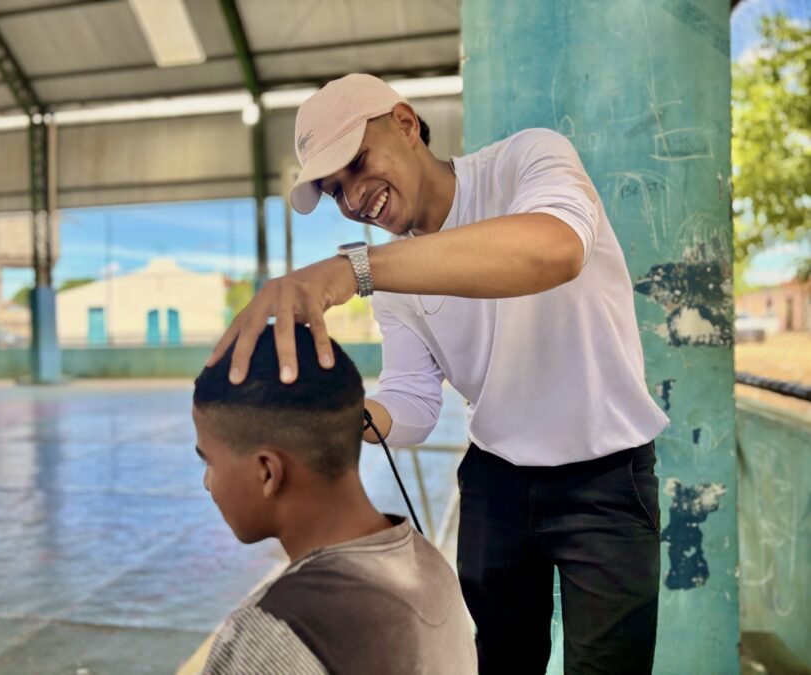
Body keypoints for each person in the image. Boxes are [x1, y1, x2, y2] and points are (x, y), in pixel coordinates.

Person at [208, 73, 670, 674]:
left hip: (607, 476)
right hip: (497, 480)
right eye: (334, 190)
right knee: (500, 661)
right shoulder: (391, 280)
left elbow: (556, 249)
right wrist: (341, 420)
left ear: (404, 123)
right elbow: (414, 400)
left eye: (356, 164)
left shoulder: (527, 160)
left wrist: (352, 269)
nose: (352, 199)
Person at [193, 324, 477, 674]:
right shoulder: (431, 565)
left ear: (267, 472)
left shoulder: (271, 633)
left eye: (209, 461)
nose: (208, 483)